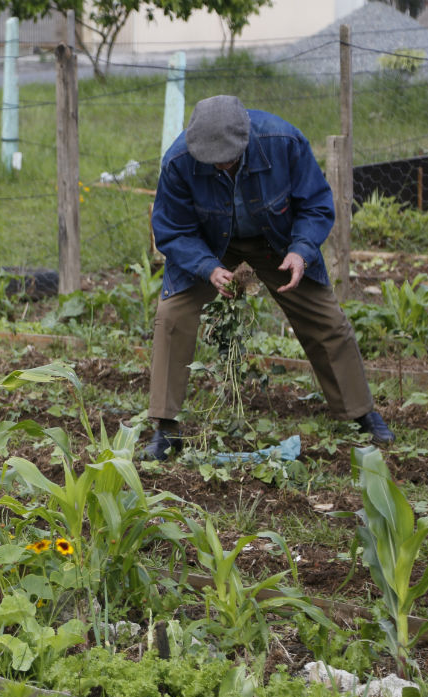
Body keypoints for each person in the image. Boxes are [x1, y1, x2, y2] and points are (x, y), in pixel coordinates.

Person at [144, 94, 394, 460]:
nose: (220, 166)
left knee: (326, 319)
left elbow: (316, 203)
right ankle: (166, 428)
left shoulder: (284, 142)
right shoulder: (179, 161)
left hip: (275, 240)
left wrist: (301, 250)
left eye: (227, 157)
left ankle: (360, 412)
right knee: (171, 317)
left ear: (245, 139)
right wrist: (207, 268)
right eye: (210, 161)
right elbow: (172, 229)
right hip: (210, 246)